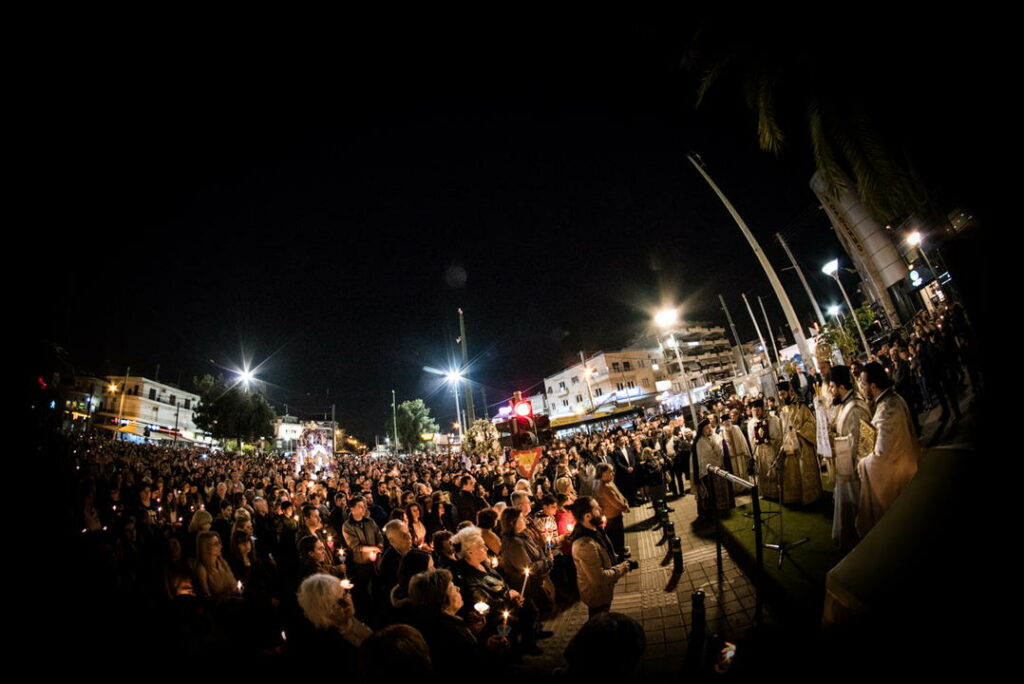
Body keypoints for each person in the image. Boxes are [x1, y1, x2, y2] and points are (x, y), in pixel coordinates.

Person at [856, 362, 920, 536]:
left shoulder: (886, 412)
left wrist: (862, 463)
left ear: (873, 386)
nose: (861, 387)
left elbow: (881, 457)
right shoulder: (893, 399)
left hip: (898, 477)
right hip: (907, 464)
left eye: (863, 383)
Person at [825, 365, 872, 552]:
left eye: (832, 386)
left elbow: (861, 444)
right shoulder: (845, 404)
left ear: (841, 387)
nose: (830, 390)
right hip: (845, 469)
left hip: (854, 472)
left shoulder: (855, 408)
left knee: (856, 513)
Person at [568, 497, 632, 618]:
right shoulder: (585, 546)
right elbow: (599, 578)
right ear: (587, 516)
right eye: (596, 508)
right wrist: (623, 567)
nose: (600, 509)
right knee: (599, 621)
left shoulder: (595, 529)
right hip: (596, 594)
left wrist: (614, 557)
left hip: (603, 590)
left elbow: (603, 551)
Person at [291, 573, 372, 664]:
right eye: (338, 602)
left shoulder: (358, 616)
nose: (347, 603)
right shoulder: (329, 646)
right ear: (322, 612)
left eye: (344, 594)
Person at [777, 380, 823, 505]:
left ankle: (810, 497)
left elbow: (811, 423)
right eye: (780, 395)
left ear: (790, 391)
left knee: (804, 470)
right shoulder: (782, 409)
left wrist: (799, 433)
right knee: (792, 472)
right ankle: (795, 498)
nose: (782, 397)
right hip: (789, 446)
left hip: (803, 445)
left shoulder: (801, 406)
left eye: (783, 394)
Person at [342, 496, 384, 619]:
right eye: (360, 506)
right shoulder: (347, 526)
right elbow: (354, 546)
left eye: (364, 506)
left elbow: (379, 535)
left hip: (375, 560)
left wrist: (380, 546)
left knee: (377, 584)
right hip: (361, 562)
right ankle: (367, 612)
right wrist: (373, 549)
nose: (364, 508)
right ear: (352, 509)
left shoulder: (370, 521)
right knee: (364, 587)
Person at [694, 419, 734, 517]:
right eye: (707, 428)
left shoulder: (717, 438)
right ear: (702, 430)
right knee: (712, 495)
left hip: (721, 470)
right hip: (708, 474)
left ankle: (727, 508)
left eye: (710, 427)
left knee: (724, 492)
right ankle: (715, 513)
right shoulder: (699, 443)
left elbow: (723, 452)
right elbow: (704, 459)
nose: (709, 429)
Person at [747, 399, 782, 499]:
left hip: (771, 449)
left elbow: (779, 435)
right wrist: (756, 441)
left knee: (773, 470)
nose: (756, 413)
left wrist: (770, 440)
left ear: (763, 409)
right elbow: (751, 438)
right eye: (754, 411)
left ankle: (775, 492)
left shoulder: (773, 419)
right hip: (759, 451)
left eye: (758, 410)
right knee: (761, 471)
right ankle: (764, 492)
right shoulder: (751, 423)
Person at [594, 463, 629, 560]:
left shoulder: (609, 483)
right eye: (610, 472)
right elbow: (615, 502)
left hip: (615, 514)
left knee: (619, 535)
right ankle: (620, 556)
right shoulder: (604, 488)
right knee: (617, 537)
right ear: (604, 474)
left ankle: (621, 550)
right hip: (612, 516)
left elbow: (619, 494)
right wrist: (625, 507)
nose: (613, 473)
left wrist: (625, 501)